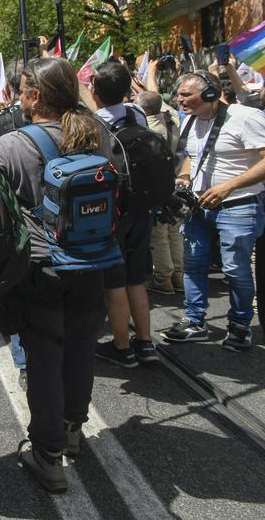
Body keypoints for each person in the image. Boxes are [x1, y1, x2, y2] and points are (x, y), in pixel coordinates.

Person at [0, 58, 110, 494]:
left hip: (40, 266)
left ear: (34, 97)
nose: (18, 98)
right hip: (93, 261)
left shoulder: (11, 145)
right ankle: (73, 430)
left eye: (22, 91)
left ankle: (48, 455)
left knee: (44, 358)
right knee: (81, 349)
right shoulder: (101, 136)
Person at [162, 71, 265, 350]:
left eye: (186, 95)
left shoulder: (246, 117)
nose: (179, 99)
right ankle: (195, 321)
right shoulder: (189, 121)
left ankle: (240, 325)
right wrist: (184, 178)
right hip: (198, 208)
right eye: (178, 94)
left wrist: (228, 186)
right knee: (193, 266)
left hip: (238, 207)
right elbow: (192, 158)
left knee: (235, 270)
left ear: (209, 94)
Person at [89, 61, 157, 367]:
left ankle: (121, 347)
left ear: (95, 91)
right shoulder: (137, 112)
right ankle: (145, 343)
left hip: (111, 209)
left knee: (113, 283)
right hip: (141, 204)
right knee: (136, 278)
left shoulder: (91, 122)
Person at [136, 91, 184, 296]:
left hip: (158, 185)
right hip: (175, 180)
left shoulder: (148, 129)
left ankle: (163, 278)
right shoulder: (172, 118)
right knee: (174, 231)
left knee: (159, 233)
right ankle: (178, 276)